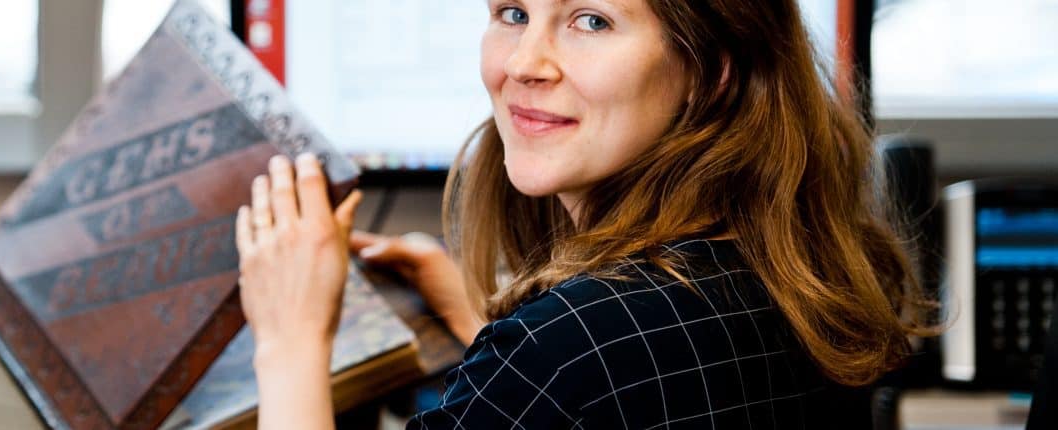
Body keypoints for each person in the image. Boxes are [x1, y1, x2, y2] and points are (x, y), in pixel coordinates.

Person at [233, 0, 935, 427]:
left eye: (590, 20)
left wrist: (290, 341)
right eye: (512, 13)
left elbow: (579, 370)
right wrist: (485, 330)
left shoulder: (559, 348)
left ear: (711, 68)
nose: (524, 63)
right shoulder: (799, 285)